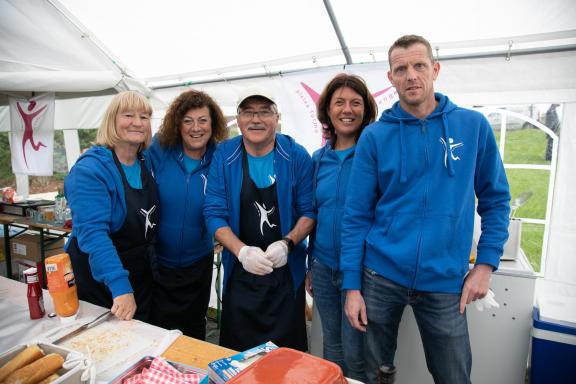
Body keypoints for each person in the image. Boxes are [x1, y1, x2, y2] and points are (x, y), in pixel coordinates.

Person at [341, 35, 511, 384]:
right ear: (390, 78)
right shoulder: (374, 137)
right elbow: (356, 216)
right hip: (380, 276)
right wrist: (352, 287)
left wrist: (485, 264)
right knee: (376, 373)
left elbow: (495, 200)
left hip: (446, 279)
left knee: (453, 374)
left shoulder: (472, 127)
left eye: (419, 66)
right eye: (401, 69)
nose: (411, 75)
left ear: (435, 69)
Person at [203, 88, 315, 352]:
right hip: (240, 276)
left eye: (265, 112)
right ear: (238, 119)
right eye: (249, 112)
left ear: (277, 117)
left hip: (286, 278)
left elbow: (309, 211)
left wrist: (287, 244)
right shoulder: (224, 155)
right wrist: (241, 251)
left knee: (287, 362)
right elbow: (213, 213)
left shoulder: (295, 155)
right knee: (238, 362)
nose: (256, 119)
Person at [306, 74, 376, 381]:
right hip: (322, 266)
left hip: (361, 271)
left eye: (355, 103)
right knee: (331, 349)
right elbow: (313, 215)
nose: (347, 110)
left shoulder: (373, 156)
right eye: (340, 102)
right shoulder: (318, 160)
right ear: (328, 111)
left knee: (356, 353)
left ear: (365, 110)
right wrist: (310, 265)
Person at [65, 91, 158, 321]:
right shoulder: (91, 170)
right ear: (112, 121)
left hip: (140, 273)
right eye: (128, 115)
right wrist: (120, 286)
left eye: (144, 117)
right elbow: (93, 234)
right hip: (102, 280)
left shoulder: (146, 162)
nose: (138, 122)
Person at [144, 90, 228, 339]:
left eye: (203, 120)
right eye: (188, 121)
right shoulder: (160, 150)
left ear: (213, 125)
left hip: (198, 263)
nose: (196, 128)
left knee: (193, 327)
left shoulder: (220, 157)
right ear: (177, 124)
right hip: (158, 262)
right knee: (156, 331)